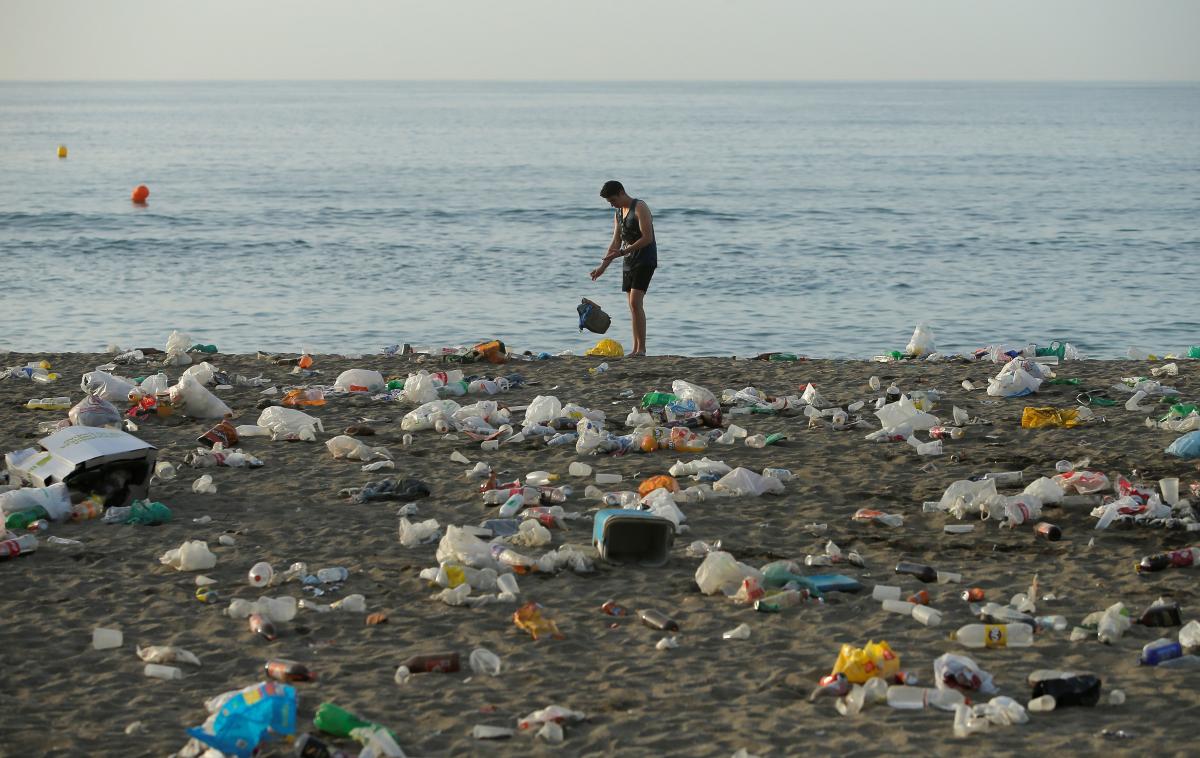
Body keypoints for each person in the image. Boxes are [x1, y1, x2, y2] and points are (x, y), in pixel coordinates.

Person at [590, 180, 657, 356]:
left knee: (636, 302)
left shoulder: (640, 207)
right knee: (632, 305)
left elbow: (647, 237)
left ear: (621, 192)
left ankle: (641, 349)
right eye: (609, 203)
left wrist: (621, 252)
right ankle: (635, 348)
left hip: (645, 259)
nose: (612, 205)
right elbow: (615, 242)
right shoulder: (618, 213)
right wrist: (602, 267)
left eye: (613, 200)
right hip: (629, 261)